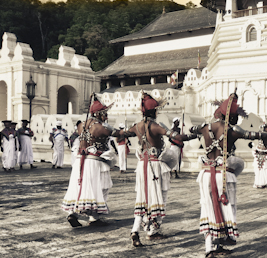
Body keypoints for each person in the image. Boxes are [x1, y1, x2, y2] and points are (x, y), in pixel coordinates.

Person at [188, 93, 267, 258]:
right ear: (230, 116)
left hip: (205, 174)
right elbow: (254, 135)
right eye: (234, 116)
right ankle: (221, 240)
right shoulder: (233, 130)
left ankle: (210, 248)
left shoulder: (205, 127)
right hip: (223, 175)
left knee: (207, 208)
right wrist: (265, 135)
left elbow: (191, 130)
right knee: (227, 208)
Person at [122, 93, 195, 247]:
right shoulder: (156, 126)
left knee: (142, 198)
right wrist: (195, 135)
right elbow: (177, 137)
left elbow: (123, 133)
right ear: (154, 111)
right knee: (159, 196)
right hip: (155, 166)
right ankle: (152, 231)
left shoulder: (137, 126)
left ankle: (135, 230)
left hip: (142, 165)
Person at [61, 99, 118, 227]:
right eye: (104, 113)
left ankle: (73, 214)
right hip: (95, 161)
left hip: (81, 161)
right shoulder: (100, 127)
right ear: (98, 114)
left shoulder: (81, 125)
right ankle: (94, 217)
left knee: (80, 188)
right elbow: (119, 134)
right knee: (101, 187)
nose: (106, 116)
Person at [252, 123, 267, 189]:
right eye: (266, 127)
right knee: (258, 170)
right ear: (263, 128)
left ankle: (264, 184)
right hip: (258, 153)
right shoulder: (260, 134)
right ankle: (258, 183)